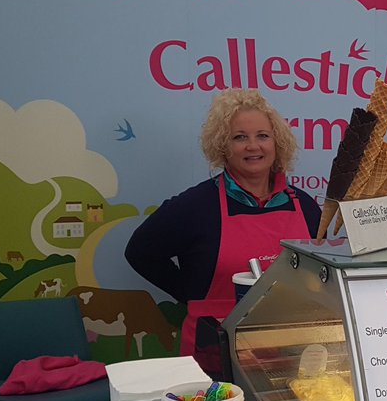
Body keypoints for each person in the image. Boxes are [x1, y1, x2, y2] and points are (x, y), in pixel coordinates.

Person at [126, 89, 321, 378]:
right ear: (222, 146)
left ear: (277, 143)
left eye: (262, 136)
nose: (253, 146)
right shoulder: (196, 205)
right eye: (239, 137)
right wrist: (194, 296)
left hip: (289, 351)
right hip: (215, 351)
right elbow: (139, 252)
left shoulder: (304, 205)